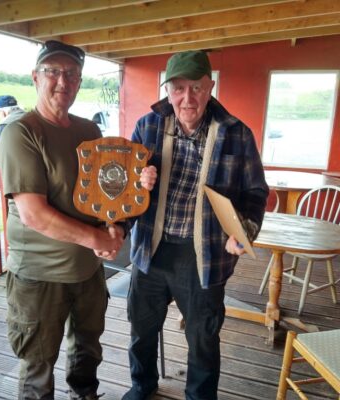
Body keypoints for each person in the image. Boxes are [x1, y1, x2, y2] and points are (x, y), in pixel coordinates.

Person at [122, 50, 269, 400]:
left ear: (211, 87)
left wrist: (244, 229)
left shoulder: (237, 134)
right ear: (168, 90)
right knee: (141, 328)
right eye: (179, 88)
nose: (187, 98)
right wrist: (137, 181)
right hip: (151, 250)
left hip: (204, 254)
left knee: (203, 336)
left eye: (197, 88)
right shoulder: (148, 126)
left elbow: (256, 192)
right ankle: (142, 385)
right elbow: (125, 187)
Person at [0, 40, 125, 400]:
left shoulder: (89, 131)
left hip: (87, 273)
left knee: (87, 354)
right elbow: (34, 215)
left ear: (79, 82)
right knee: (38, 367)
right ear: (36, 77)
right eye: (52, 71)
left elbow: (104, 197)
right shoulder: (21, 132)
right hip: (39, 278)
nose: (61, 81)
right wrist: (98, 240)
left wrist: (113, 225)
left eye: (71, 74)